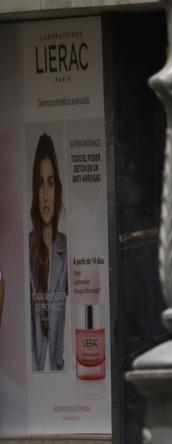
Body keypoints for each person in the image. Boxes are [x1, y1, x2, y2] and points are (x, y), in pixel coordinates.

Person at [29, 133, 68, 373]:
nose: (45, 194)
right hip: (32, 377)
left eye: (51, 183)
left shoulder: (66, 246)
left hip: (59, 373)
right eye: (40, 182)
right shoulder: (27, 247)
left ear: (57, 189)